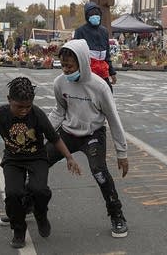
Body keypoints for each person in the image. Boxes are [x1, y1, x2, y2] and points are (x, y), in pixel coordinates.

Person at [0, 77, 81, 249]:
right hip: (13, 159)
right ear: (8, 100)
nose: (24, 111)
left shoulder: (37, 114)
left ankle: (40, 214)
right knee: (13, 194)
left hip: (37, 158)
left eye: (27, 106)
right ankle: (19, 230)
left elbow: (54, 138)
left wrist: (69, 157)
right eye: (19, 106)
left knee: (39, 190)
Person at [47, 39, 129, 238]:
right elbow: (59, 112)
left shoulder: (99, 87)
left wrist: (122, 152)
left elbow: (113, 118)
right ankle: (29, 202)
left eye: (70, 66)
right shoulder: (60, 83)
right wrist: (44, 132)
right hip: (68, 133)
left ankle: (116, 214)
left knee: (99, 171)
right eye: (63, 65)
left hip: (93, 134)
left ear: (82, 63)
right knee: (39, 161)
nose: (65, 70)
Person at [73, 2, 117, 90]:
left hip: (103, 71)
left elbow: (107, 55)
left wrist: (112, 72)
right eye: (92, 14)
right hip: (88, 71)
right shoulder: (80, 31)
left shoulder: (104, 31)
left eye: (97, 14)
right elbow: (75, 54)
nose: (95, 16)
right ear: (87, 16)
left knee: (107, 92)